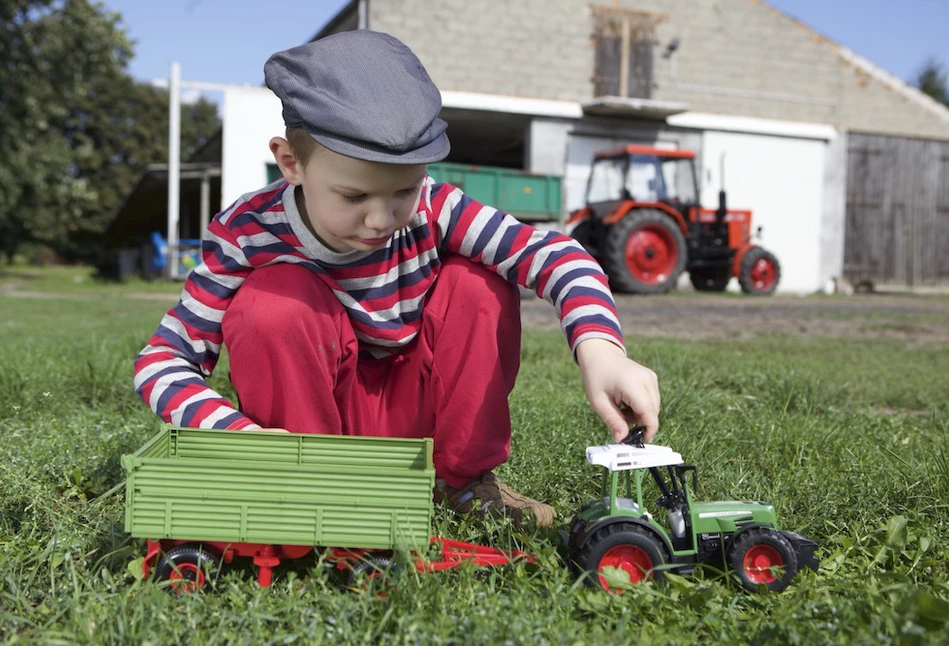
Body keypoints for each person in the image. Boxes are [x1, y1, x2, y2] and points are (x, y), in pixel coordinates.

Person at [133, 30, 660, 529]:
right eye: (354, 197)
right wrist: (239, 438)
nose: (382, 219)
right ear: (290, 163)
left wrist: (601, 351)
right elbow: (163, 361)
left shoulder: (433, 208)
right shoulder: (246, 233)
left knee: (480, 283)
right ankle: (310, 487)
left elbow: (557, 255)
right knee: (271, 301)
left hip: (422, 418)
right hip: (311, 432)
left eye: (402, 191)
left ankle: (461, 482)